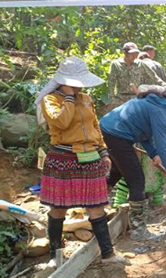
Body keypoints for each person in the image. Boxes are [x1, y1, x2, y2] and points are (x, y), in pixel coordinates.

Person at [36, 57, 127, 265]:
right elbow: (61, 121)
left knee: (96, 207)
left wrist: (103, 152)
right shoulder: (50, 100)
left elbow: (95, 127)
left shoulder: (86, 98)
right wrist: (67, 98)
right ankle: (56, 257)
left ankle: (108, 255)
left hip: (90, 157)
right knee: (58, 208)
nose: (79, 87)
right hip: (63, 158)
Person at [99, 88, 166, 225]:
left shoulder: (156, 104)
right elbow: (163, 146)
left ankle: (96, 200)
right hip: (117, 134)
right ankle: (137, 222)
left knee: (117, 171)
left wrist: (153, 154)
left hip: (109, 129)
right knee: (137, 179)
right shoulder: (159, 110)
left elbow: (144, 135)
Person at [107, 42, 164, 108]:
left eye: (136, 53)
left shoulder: (140, 64)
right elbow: (111, 83)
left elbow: (154, 77)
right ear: (125, 53)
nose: (135, 56)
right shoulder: (116, 64)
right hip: (121, 99)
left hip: (136, 97)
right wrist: (112, 100)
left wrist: (165, 86)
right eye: (132, 54)